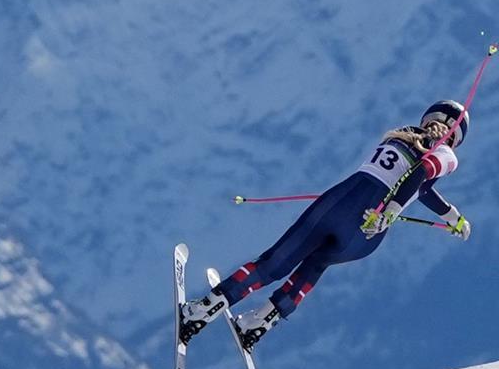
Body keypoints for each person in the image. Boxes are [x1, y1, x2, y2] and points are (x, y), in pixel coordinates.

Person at [180, 100, 473, 351]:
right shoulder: (446, 155)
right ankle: (260, 321)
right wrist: (450, 217)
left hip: (343, 202)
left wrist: (413, 210)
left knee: (276, 263)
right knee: (317, 264)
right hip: (368, 234)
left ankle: (203, 311)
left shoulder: (403, 135)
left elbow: (418, 175)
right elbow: (420, 182)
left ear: (428, 117)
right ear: (456, 137)